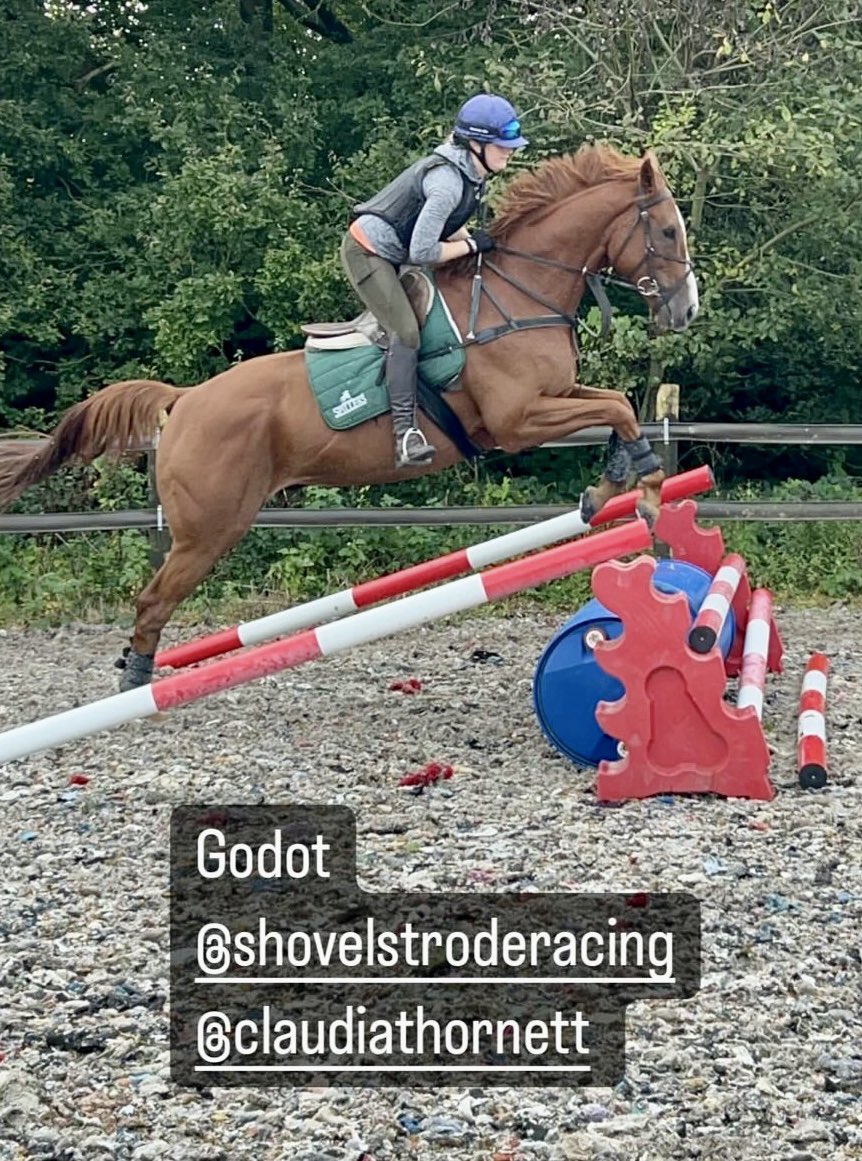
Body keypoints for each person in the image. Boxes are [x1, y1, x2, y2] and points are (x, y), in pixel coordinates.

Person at [340, 93, 529, 468]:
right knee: (407, 332)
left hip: (396, 252)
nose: (510, 154)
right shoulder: (446, 183)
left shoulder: (474, 174)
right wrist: (472, 244)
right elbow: (424, 251)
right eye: (502, 147)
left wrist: (472, 240)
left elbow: (447, 229)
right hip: (368, 253)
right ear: (476, 144)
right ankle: (405, 434)